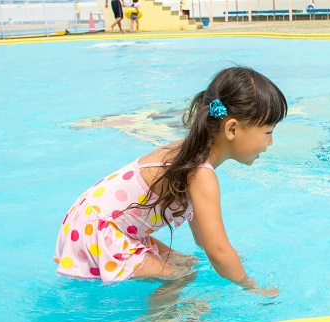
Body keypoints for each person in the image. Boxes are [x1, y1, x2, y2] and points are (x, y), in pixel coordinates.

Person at [54, 67, 286, 297]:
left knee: (186, 265)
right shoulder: (201, 173)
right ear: (232, 129)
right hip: (98, 230)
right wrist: (251, 286)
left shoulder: (189, 154)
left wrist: (229, 260)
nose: (271, 142)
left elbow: (204, 241)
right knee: (180, 275)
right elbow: (217, 250)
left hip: (90, 221)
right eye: (268, 132)